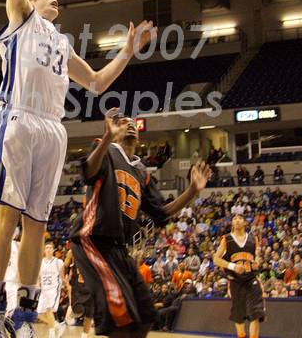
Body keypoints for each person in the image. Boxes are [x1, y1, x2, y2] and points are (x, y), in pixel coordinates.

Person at [0, 0, 155, 338]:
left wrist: (126, 52)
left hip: (53, 129)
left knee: (37, 224)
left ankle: (23, 315)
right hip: (18, 120)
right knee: (7, 216)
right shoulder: (20, 18)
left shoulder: (62, 43)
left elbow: (97, 83)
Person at [70, 111, 210, 338]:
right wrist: (107, 138)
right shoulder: (105, 149)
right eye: (124, 122)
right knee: (120, 321)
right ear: (115, 131)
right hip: (93, 240)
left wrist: (192, 190)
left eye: (133, 123)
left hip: (119, 249)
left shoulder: (142, 171)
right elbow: (88, 171)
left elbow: (161, 213)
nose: (130, 125)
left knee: (145, 316)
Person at [213, 214, 265, 338]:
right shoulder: (226, 239)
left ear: (245, 223)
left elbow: (258, 256)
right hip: (235, 280)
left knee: (256, 311)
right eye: (235, 219)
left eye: (240, 218)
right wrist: (233, 266)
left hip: (251, 278)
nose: (237, 220)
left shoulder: (253, 238)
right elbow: (216, 259)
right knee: (239, 314)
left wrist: (257, 261)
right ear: (232, 223)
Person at [37, 242, 65, 338]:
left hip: (54, 289)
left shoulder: (58, 262)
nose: (48, 249)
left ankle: (52, 334)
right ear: (44, 250)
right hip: (44, 290)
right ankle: (58, 325)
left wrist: (64, 286)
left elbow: (62, 276)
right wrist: (38, 285)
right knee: (39, 314)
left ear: (53, 250)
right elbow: (39, 276)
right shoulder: (40, 262)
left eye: (50, 248)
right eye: (47, 248)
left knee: (49, 310)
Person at [64, 251, 94, 338]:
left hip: (90, 287)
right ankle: (64, 322)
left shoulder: (94, 251)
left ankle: (84, 336)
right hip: (77, 288)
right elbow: (65, 266)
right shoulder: (72, 252)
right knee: (77, 311)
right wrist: (64, 280)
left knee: (89, 315)